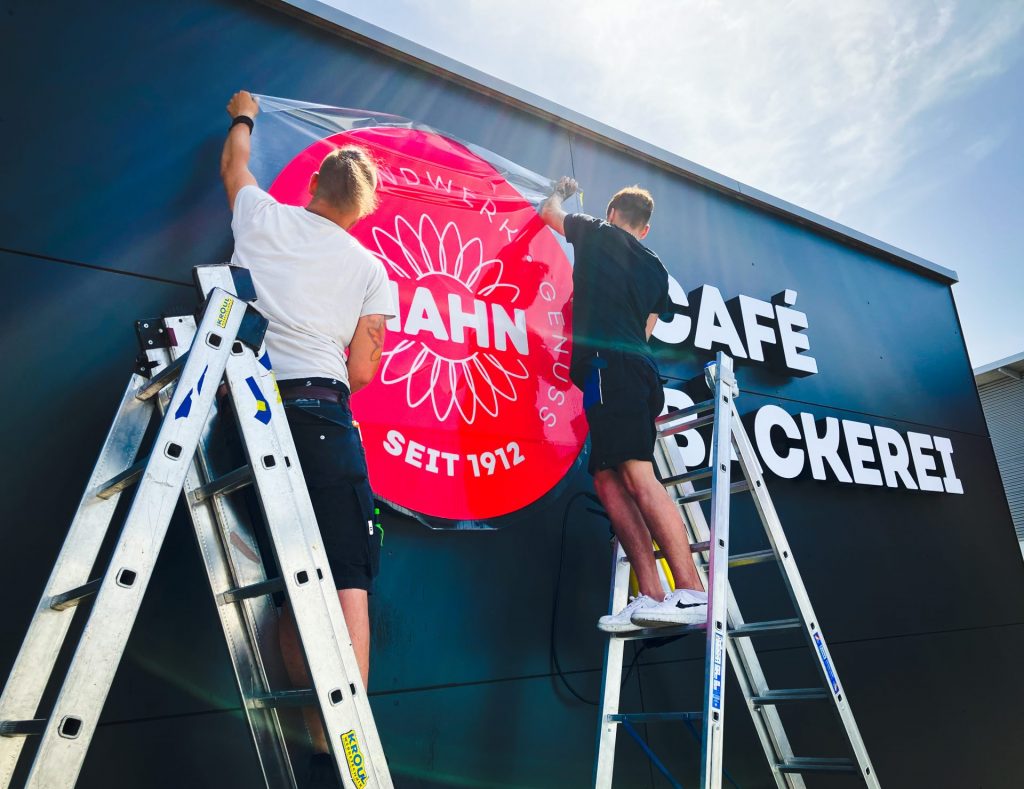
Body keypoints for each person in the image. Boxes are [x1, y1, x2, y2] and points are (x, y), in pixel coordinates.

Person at [220, 90, 393, 787]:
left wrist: (244, 116)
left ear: (316, 187)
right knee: (346, 582)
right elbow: (362, 369)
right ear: (361, 209)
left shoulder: (262, 216)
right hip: (323, 418)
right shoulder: (370, 270)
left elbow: (236, 165)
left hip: (247, 418)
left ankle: (321, 743)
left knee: (292, 587)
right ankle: (343, 754)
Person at [539, 178, 707, 633]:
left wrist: (559, 191)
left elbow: (548, 213)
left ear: (612, 214)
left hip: (614, 370)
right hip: (622, 372)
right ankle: (651, 595)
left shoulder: (597, 232)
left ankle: (692, 591)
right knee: (607, 480)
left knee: (636, 474)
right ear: (646, 228)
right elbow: (648, 330)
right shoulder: (656, 270)